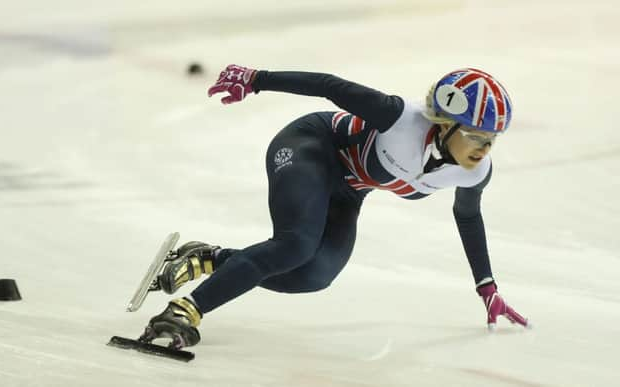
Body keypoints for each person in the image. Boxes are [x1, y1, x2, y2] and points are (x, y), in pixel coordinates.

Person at [139, 64, 530, 349]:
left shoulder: (472, 173)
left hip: (349, 190)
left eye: (492, 139)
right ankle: (185, 310)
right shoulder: (399, 117)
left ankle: (210, 258)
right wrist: (256, 80)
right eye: (477, 136)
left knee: (314, 275)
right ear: (445, 124)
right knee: (296, 245)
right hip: (311, 147)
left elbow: (468, 215)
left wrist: (487, 287)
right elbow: (330, 85)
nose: (484, 149)